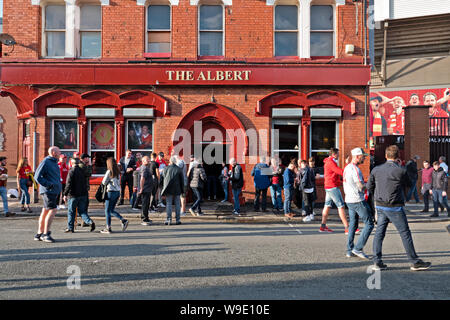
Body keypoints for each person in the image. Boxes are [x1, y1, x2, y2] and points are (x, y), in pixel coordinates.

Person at [367, 145, 431, 271]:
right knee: (405, 233)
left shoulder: (376, 169)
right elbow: (408, 184)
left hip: (380, 205)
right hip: (395, 206)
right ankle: (414, 261)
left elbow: (369, 187)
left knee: (379, 233)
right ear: (398, 157)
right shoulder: (400, 170)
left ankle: (377, 261)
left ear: (386, 156)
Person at [343, 148, 374, 259]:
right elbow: (360, 186)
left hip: (349, 199)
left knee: (353, 224)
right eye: (363, 156)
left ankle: (349, 249)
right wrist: (370, 186)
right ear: (357, 156)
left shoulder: (347, 168)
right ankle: (358, 248)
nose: (365, 158)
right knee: (369, 223)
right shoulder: (355, 169)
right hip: (357, 199)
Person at [34, 147, 62, 242]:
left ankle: (39, 234)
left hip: (53, 191)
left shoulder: (54, 162)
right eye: (59, 151)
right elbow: (37, 177)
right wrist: (48, 185)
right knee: (52, 210)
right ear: (53, 152)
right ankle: (46, 234)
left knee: (45, 211)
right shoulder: (46, 162)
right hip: (48, 191)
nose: (60, 153)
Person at [320, 148, 350, 233]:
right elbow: (342, 172)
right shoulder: (331, 162)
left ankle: (323, 226)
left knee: (327, 205)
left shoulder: (329, 161)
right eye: (338, 154)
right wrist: (347, 164)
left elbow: (334, 174)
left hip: (328, 186)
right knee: (341, 206)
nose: (339, 156)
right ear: (334, 154)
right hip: (332, 186)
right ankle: (347, 227)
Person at [63, 158, 95, 233]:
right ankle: (89, 222)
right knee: (82, 211)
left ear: (71, 163)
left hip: (73, 194)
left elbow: (68, 184)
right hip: (83, 193)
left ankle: (70, 228)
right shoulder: (82, 170)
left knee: (71, 211)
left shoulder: (71, 171)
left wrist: (65, 194)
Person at [101, 158, 129, 234]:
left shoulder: (109, 172)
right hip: (117, 192)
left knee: (107, 210)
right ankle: (123, 220)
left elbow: (103, 182)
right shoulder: (117, 171)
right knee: (111, 210)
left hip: (110, 192)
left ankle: (108, 227)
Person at [161, 156, 185, 225]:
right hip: (177, 188)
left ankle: (169, 219)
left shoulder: (165, 168)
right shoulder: (179, 169)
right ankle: (177, 220)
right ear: (175, 161)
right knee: (177, 204)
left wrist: (162, 188)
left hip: (168, 188)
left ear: (170, 161)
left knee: (169, 204)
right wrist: (182, 190)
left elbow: (162, 179)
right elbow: (182, 181)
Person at [138, 156, 154, 226]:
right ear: (143, 161)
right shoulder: (144, 168)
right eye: (147, 159)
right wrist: (141, 188)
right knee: (145, 204)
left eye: (149, 159)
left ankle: (145, 217)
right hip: (145, 189)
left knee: (146, 204)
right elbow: (142, 179)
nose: (149, 160)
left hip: (147, 188)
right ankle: (144, 219)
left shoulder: (145, 167)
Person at [79, 153, 93, 227]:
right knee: (84, 205)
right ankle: (85, 221)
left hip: (83, 187)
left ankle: (84, 221)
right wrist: (90, 166)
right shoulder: (81, 165)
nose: (88, 159)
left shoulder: (83, 165)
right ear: (84, 158)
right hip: (82, 188)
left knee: (85, 205)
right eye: (87, 158)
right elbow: (89, 173)